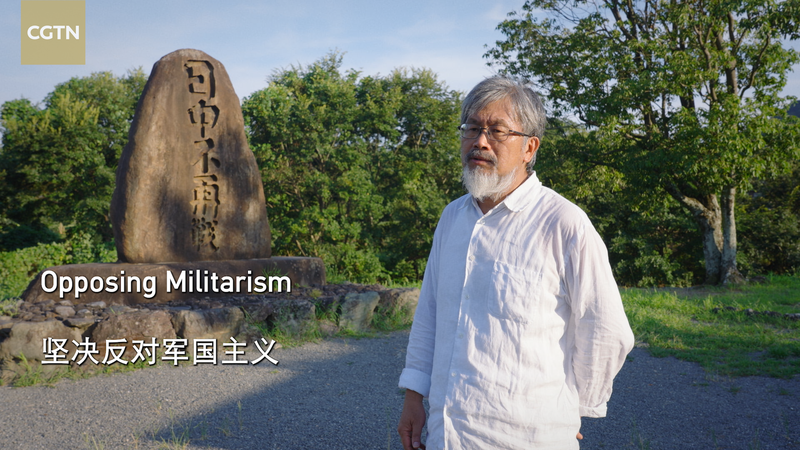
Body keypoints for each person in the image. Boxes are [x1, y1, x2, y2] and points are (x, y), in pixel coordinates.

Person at [397, 76, 634, 450]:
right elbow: (429, 312)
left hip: (528, 437)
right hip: (448, 433)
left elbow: (605, 328)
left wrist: (574, 408)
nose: (480, 141)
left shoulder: (563, 223)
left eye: (497, 131)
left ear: (529, 147)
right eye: (472, 128)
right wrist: (414, 397)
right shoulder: (452, 219)